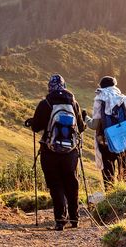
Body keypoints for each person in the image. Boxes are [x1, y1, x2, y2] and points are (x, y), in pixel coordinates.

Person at [24, 74, 85, 231]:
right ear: (64, 86)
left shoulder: (46, 103)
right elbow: (81, 127)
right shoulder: (73, 103)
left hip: (49, 151)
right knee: (71, 182)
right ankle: (75, 218)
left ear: (50, 87)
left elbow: (36, 127)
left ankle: (60, 220)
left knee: (55, 183)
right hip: (71, 151)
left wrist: (32, 121)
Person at [82, 76, 126, 189]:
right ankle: (123, 196)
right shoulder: (123, 99)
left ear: (101, 87)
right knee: (123, 172)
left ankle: (109, 197)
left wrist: (85, 117)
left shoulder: (99, 100)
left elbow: (94, 125)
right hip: (123, 141)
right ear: (114, 86)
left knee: (108, 173)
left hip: (106, 142)